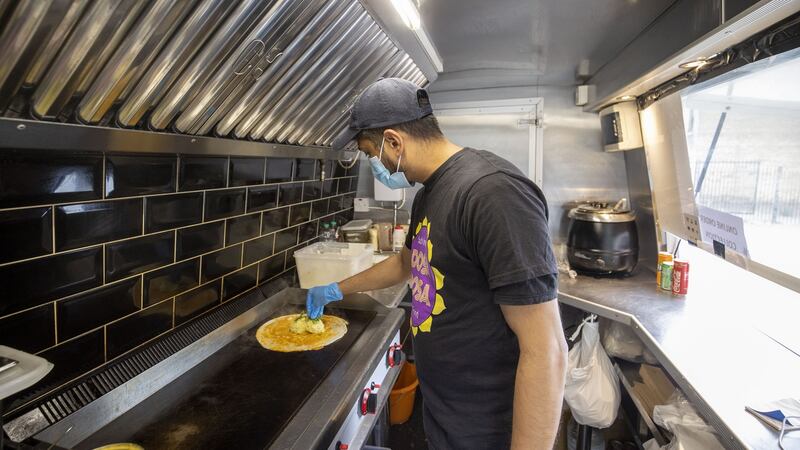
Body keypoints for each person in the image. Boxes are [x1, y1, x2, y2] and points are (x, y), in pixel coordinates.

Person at [306, 78, 567, 450]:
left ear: (394, 142)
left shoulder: (493, 192)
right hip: (447, 412)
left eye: (370, 153)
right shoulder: (431, 191)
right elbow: (406, 262)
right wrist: (337, 289)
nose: (373, 164)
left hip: (488, 428)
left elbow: (547, 350)